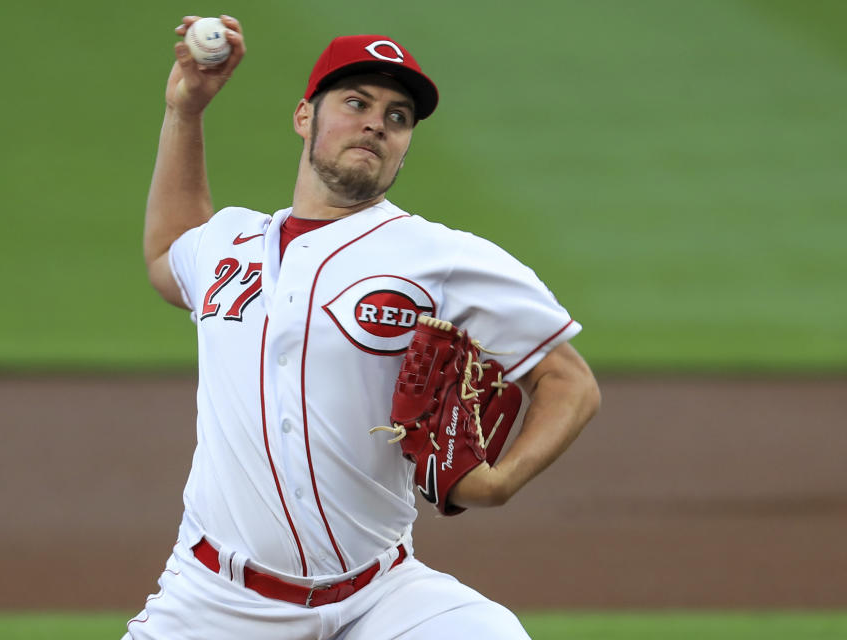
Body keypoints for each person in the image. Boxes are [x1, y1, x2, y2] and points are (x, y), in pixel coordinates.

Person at [125, 14, 601, 640]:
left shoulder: (441, 256)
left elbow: (570, 381)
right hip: (217, 604)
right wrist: (184, 113)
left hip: (384, 595)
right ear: (305, 117)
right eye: (356, 103)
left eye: (398, 116)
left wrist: (501, 482)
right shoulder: (229, 243)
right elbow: (168, 256)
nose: (377, 122)